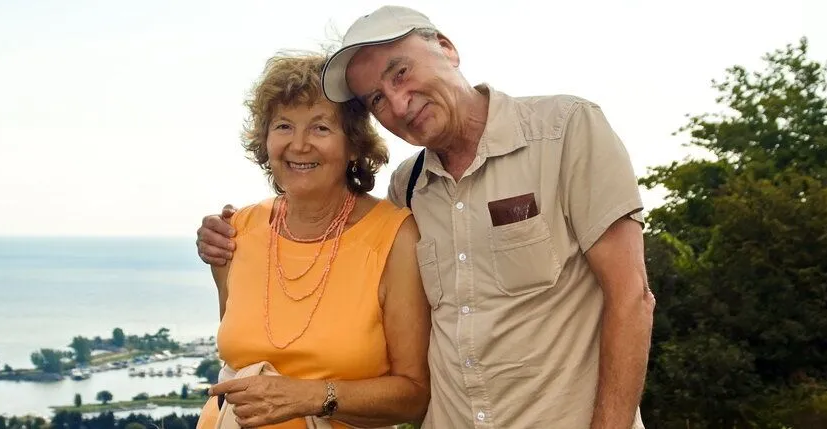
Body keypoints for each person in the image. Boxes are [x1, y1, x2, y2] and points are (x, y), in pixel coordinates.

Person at [197, 6, 656, 428]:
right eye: (377, 98)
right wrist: (223, 238)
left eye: (401, 72)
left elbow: (631, 297)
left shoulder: (565, 131)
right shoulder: (409, 190)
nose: (398, 103)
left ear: (447, 48)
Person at [193, 52, 431, 429]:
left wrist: (311, 397)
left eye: (320, 128)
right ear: (265, 139)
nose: (299, 145)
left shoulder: (395, 237)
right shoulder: (236, 230)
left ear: (354, 146)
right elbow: (235, 358)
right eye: (284, 126)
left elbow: (414, 396)